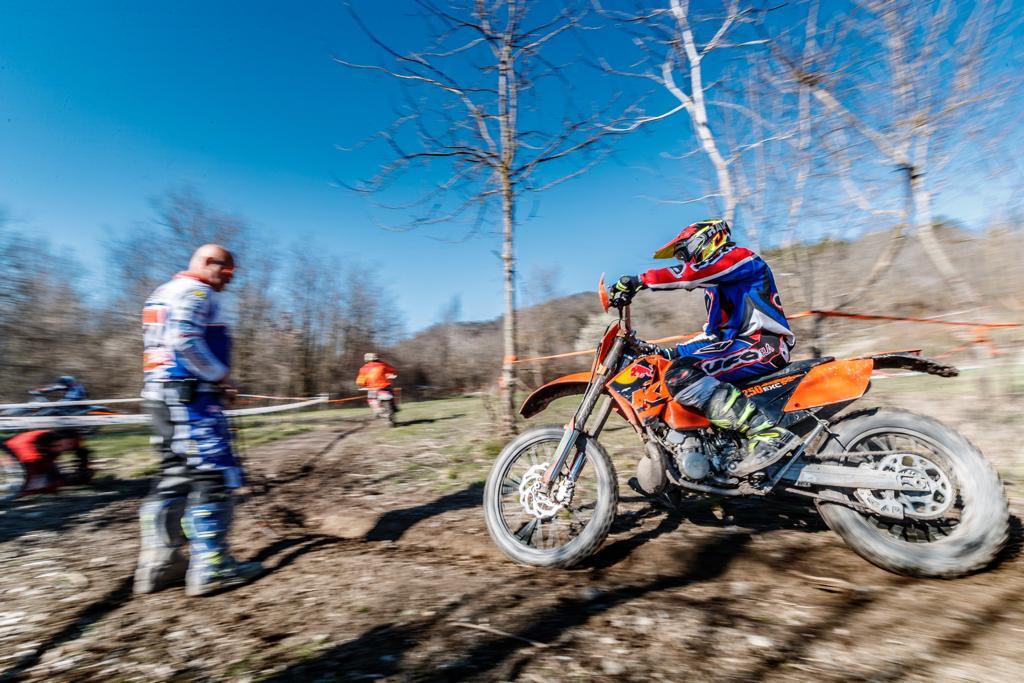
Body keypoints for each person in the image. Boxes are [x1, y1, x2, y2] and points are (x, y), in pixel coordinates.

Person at [611, 219, 797, 476]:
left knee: (681, 377)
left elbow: (689, 275)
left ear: (706, 240)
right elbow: (712, 338)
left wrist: (638, 280)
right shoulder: (717, 288)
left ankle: (766, 433)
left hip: (765, 344)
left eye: (685, 253)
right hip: (740, 346)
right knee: (675, 369)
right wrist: (670, 352)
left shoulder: (740, 259)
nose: (686, 261)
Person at [134, 244, 261, 597]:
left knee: (173, 473)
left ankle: (159, 564)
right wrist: (220, 376)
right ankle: (213, 567)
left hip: (161, 394)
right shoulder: (196, 291)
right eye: (227, 272)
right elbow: (185, 339)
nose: (229, 281)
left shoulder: (162, 292)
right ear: (207, 263)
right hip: (191, 396)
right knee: (213, 472)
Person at [1, 428, 93, 494]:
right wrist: (59, 483)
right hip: (17, 460)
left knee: (57, 479)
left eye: (71, 444)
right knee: (45, 484)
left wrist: (83, 466)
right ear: (54, 444)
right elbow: (27, 486)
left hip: (38, 456)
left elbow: (82, 450)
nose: (70, 447)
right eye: (68, 444)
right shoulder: (30, 455)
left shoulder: (66, 438)